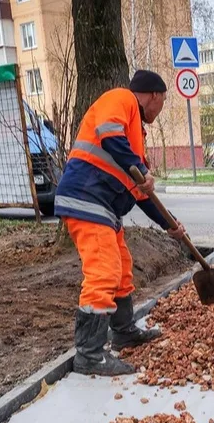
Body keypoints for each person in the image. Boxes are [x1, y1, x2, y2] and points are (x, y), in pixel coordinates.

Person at [56, 69, 186, 376]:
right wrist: (137, 166)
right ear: (154, 95)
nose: (161, 108)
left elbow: (141, 193)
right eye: (164, 101)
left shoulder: (135, 136)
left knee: (122, 269)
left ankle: (124, 331)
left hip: (104, 207)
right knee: (103, 272)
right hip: (86, 197)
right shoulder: (121, 98)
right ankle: (89, 354)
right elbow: (109, 133)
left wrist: (169, 225)